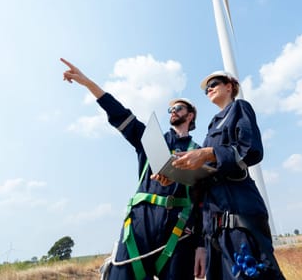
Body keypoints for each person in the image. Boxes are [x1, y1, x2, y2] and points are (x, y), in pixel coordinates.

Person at [60, 58, 206, 280]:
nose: (172, 111)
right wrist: (89, 83)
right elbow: (120, 114)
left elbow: (204, 202)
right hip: (140, 225)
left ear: (191, 114)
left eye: (178, 108)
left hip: (180, 230)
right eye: (170, 109)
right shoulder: (150, 139)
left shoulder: (201, 152)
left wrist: (201, 245)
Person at [171, 70, 285, 280]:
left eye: (213, 83)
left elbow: (250, 149)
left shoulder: (239, 108)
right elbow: (204, 175)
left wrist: (209, 153)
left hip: (239, 218)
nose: (209, 89)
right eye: (206, 89)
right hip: (213, 230)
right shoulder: (211, 127)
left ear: (230, 86)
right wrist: (175, 172)